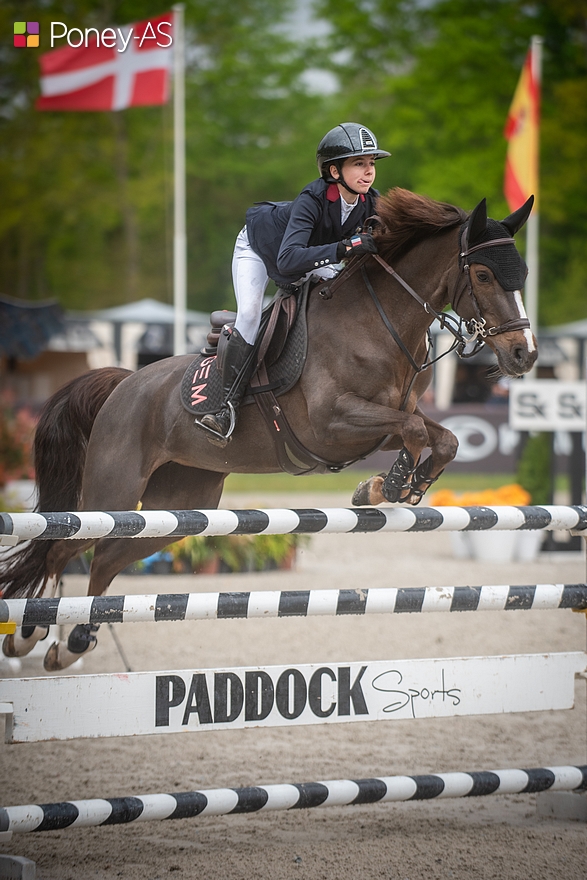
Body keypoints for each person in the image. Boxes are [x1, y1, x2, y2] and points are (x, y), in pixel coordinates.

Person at [198, 122, 391, 444]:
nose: (369, 171)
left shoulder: (371, 202)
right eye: (359, 163)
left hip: (308, 258)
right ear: (334, 170)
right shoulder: (312, 198)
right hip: (261, 249)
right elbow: (288, 260)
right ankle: (225, 406)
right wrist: (344, 249)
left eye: (371, 163)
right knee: (249, 314)